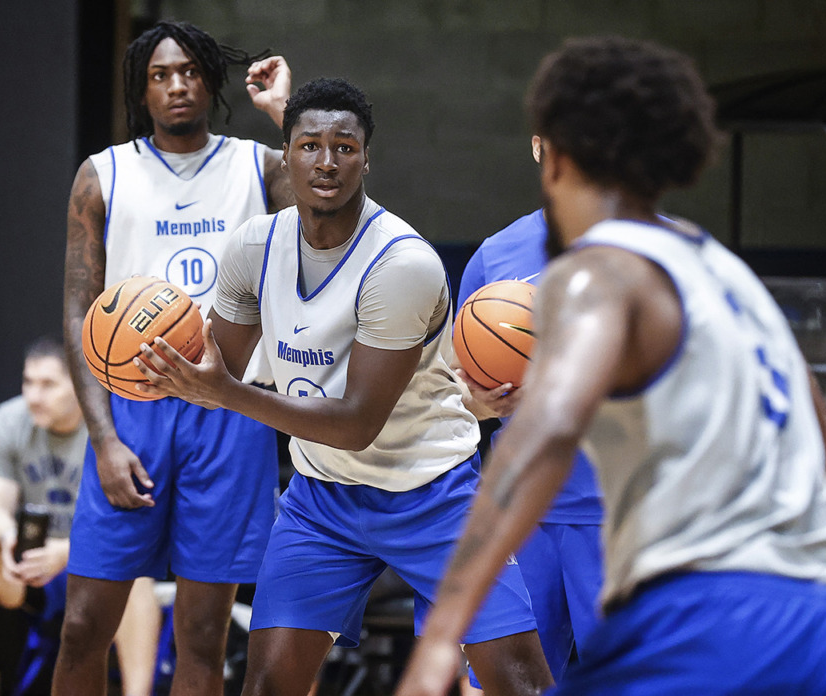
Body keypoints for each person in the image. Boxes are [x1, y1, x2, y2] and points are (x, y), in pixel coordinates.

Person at [397, 35, 826, 696]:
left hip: (714, 624)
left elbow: (539, 450)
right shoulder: (728, 275)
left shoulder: (602, 271)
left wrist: (442, 631)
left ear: (556, 157)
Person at [133, 76, 554, 696]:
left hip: (432, 493)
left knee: (520, 685)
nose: (327, 161)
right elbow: (215, 362)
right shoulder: (252, 248)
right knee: (269, 683)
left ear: (366, 158)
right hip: (322, 501)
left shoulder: (401, 264)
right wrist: (155, 364)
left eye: (345, 147)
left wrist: (221, 391)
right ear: (287, 155)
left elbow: (358, 423)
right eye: (309, 145)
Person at [53, 21, 292, 696]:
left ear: (210, 81)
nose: (177, 84)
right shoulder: (102, 175)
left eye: (189, 70)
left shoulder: (260, 166)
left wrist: (284, 116)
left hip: (227, 405)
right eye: (160, 74)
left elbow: (336, 223)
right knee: (81, 627)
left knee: (202, 636)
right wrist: (102, 438)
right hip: (132, 409)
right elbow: (77, 310)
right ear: (141, 89)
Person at [455, 134, 603, 685]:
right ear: (538, 146)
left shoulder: (650, 250)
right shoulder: (496, 255)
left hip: (615, 512)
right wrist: (477, 402)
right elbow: (455, 390)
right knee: (502, 683)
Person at [0, 337, 160, 696]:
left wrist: (66, 552)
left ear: (78, 384)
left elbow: (135, 523)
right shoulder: (8, 422)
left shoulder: (113, 431)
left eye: (47, 384)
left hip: (96, 568)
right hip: (32, 570)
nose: (34, 395)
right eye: (28, 382)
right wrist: (8, 534)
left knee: (135, 577)